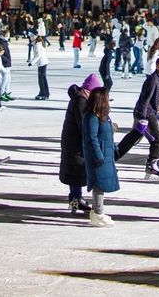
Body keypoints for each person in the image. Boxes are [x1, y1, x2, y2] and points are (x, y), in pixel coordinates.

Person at [114, 56, 159, 179]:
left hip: (151, 113)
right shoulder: (153, 79)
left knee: (135, 137)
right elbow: (145, 98)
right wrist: (142, 117)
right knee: (158, 139)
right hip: (146, 113)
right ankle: (151, 164)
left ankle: (112, 156)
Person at [60, 73, 101, 213]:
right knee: (76, 170)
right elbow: (84, 124)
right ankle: (75, 199)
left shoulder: (79, 98)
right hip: (75, 144)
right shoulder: (81, 101)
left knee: (75, 171)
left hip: (73, 142)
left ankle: (75, 199)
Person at [82, 86, 120, 227]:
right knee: (98, 183)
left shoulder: (103, 115)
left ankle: (97, 211)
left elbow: (108, 134)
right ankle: (98, 213)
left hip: (106, 153)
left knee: (102, 183)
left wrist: (114, 147)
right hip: (98, 156)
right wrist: (98, 155)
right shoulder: (91, 116)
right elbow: (91, 138)